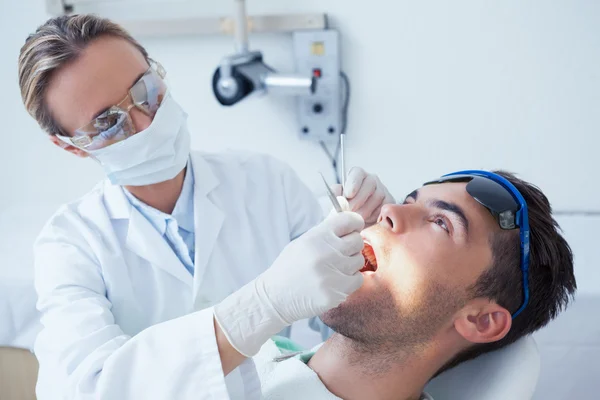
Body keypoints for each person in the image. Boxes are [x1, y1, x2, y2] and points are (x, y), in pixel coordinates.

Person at [18, 14, 396, 399]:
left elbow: (351, 317)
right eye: (108, 122)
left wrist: (372, 239)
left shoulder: (267, 181)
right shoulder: (70, 244)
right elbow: (94, 389)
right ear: (69, 145)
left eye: (146, 90)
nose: (146, 121)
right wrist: (263, 306)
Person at [250, 170, 576, 400]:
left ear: (480, 320)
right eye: (409, 201)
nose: (388, 211)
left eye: (440, 223)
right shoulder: (259, 356)